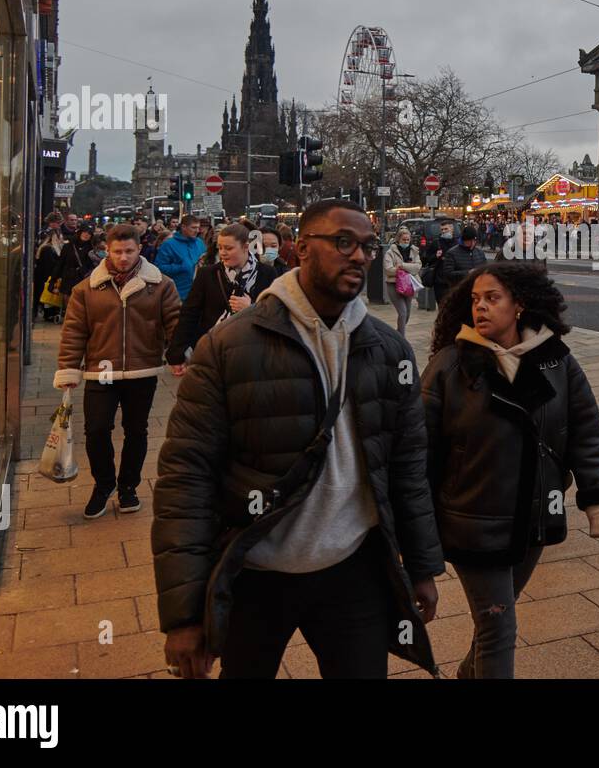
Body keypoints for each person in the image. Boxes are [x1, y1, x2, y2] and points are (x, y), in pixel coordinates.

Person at [154, 199, 443, 679]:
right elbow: (186, 476)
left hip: (354, 568)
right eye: (343, 242)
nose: (358, 256)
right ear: (302, 249)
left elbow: (408, 464)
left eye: (367, 247)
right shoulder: (228, 346)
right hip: (256, 571)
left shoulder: (389, 348)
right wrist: (184, 614)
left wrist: (422, 565)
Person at [422, 262, 599, 678]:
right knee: (499, 628)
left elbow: (585, 429)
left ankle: (468, 672)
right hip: (472, 521)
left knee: (495, 620)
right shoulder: (451, 366)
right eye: (475, 300)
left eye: (492, 298)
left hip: (534, 517)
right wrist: (415, 537)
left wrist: (596, 500)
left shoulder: (555, 361)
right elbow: (419, 453)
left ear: (520, 305)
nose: (481, 308)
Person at [54, 224, 181, 518]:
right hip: (101, 370)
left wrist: (179, 354)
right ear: (107, 251)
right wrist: (69, 369)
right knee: (97, 430)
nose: (123, 258)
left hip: (142, 370)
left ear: (140, 250)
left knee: (136, 431)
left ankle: (128, 487)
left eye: (129, 251)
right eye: (117, 252)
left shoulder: (160, 284)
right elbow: (74, 331)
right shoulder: (86, 289)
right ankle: (103, 484)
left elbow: (175, 321)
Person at [166, 223, 275, 369]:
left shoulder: (267, 273)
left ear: (245, 247)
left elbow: (276, 313)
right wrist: (177, 353)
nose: (223, 253)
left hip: (254, 351)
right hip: (213, 350)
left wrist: (251, 307)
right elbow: (189, 313)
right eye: (220, 247)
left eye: (229, 248)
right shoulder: (207, 273)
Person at [155, 214, 206, 301]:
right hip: (178, 294)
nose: (197, 231)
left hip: (199, 294)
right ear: (183, 227)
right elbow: (159, 268)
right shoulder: (169, 244)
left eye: (198, 227)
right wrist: (180, 267)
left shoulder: (200, 243)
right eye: (193, 228)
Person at [383, 226, 421, 337]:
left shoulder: (414, 251)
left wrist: (402, 266)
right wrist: (405, 269)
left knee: (407, 313)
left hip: (409, 284)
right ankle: (402, 338)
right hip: (393, 285)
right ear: (398, 240)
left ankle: (397, 334)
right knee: (403, 312)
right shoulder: (390, 252)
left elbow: (417, 267)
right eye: (403, 240)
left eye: (407, 240)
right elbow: (388, 269)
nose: (406, 242)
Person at [53, 223, 97, 298]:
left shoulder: (92, 249)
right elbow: (60, 264)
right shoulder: (68, 246)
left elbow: (94, 266)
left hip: (83, 281)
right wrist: (53, 281)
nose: (86, 234)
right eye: (85, 231)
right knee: (68, 306)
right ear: (80, 232)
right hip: (68, 281)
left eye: (89, 233)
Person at [34, 226, 65, 321]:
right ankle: (49, 314)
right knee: (48, 298)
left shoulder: (49, 248)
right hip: (47, 278)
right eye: (59, 237)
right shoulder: (48, 249)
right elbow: (49, 266)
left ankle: (49, 314)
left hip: (45, 277)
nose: (61, 239)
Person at [442, 224, 487, 290]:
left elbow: (485, 268)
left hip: (477, 289)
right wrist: (467, 273)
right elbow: (447, 274)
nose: (472, 243)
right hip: (460, 291)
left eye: (474, 241)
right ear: (464, 240)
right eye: (469, 241)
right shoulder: (452, 253)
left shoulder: (480, 252)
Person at [428, 219, 459, 305]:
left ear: (452, 229)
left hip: (454, 281)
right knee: (441, 306)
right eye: (442, 230)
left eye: (446, 229)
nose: (444, 231)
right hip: (439, 281)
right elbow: (426, 259)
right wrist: (435, 256)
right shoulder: (436, 243)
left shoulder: (457, 244)